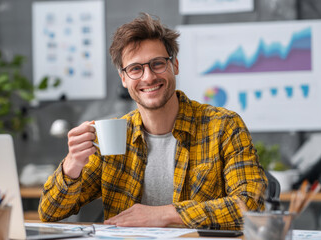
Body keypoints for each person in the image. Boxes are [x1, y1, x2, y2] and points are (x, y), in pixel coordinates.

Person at [39, 13, 267, 230]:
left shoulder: (224, 126)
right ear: (124, 79)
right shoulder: (111, 136)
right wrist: (72, 165)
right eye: (135, 69)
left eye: (157, 63)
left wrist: (164, 214)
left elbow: (250, 205)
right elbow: (50, 213)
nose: (148, 77)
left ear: (174, 65)